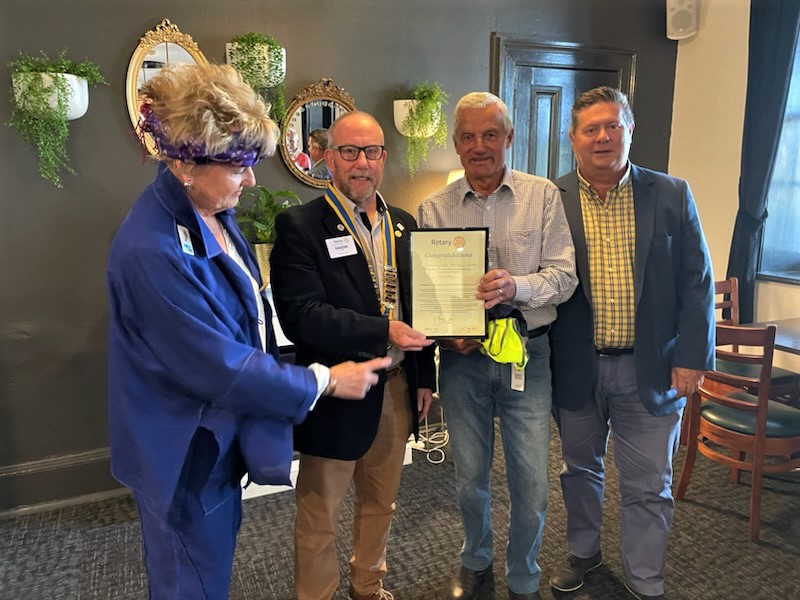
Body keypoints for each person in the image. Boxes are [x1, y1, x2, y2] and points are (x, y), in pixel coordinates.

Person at [106, 64, 390, 600]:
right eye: (239, 165)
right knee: (191, 582)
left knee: (210, 566)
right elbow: (220, 366)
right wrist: (325, 379)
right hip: (181, 449)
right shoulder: (152, 250)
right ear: (187, 163)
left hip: (214, 438)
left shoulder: (209, 209)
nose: (253, 180)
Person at [548, 86, 715, 600]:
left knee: (648, 484)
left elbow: (697, 281)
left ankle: (645, 581)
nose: (602, 137)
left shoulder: (671, 193)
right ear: (573, 138)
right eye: (590, 129)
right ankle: (584, 555)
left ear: (630, 129)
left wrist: (692, 358)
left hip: (653, 368)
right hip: (575, 366)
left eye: (612, 125)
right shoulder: (551, 198)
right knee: (579, 471)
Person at [417, 92, 578, 600]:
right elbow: (429, 291)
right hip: (461, 361)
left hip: (527, 355)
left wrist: (515, 287)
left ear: (509, 137)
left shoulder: (542, 195)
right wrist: (447, 330)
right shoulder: (433, 208)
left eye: (490, 134)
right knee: (470, 476)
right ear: (456, 144)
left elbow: (565, 276)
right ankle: (475, 557)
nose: (479, 145)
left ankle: (524, 574)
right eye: (468, 136)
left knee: (531, 480)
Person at [269, 111, 436, 600]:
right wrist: (383, 329)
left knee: (381, 503)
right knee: (319, 516)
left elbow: (417, 307)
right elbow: (301, 315)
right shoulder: (301, 225)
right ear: (328, 157)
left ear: (384, 157)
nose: (361, 162)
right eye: (349, 151)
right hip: (336, 392)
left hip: (397, 388)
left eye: (372, 151)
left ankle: (368, 588)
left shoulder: (403, 224)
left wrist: (424, 377)